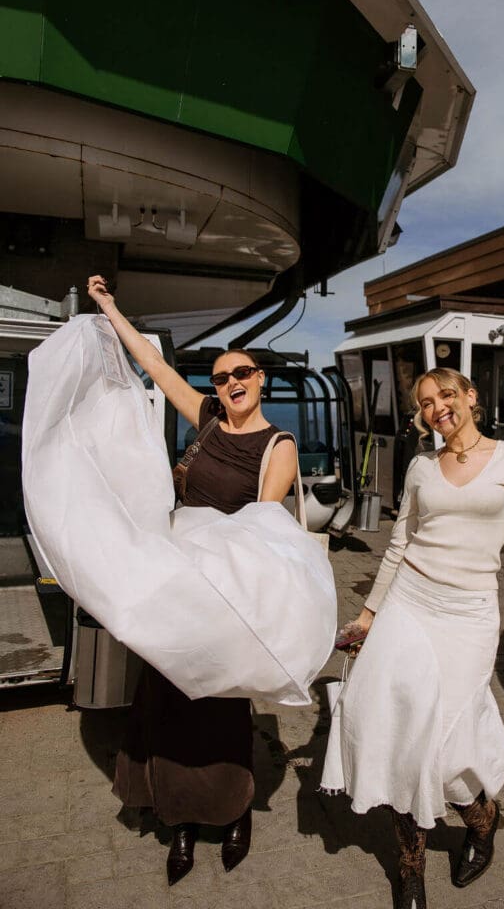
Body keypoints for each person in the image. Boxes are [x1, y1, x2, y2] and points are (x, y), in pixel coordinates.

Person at [86, 275, 298, 885]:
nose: (231, 383)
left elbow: (262, 530)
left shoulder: (278, 445)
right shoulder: (205, 418)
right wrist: (108, 307)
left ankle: (234, 813)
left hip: (226, 592)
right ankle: (179, 818)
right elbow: (153, 364)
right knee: (168, 700)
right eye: (222, 377)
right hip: (178, 582)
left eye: (243, 373)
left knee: (222, 708)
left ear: (260, 379)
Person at [325, 368, 504, 908]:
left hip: (470, 615)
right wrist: (368, 615)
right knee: (402, 738)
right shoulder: (421, 466)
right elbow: (400, 543)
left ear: (471, 397)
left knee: (447, 749)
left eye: (445, 395)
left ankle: (483, 819)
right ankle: (410, 872)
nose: (437, 409)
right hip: (408, 604)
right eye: (426, 402)